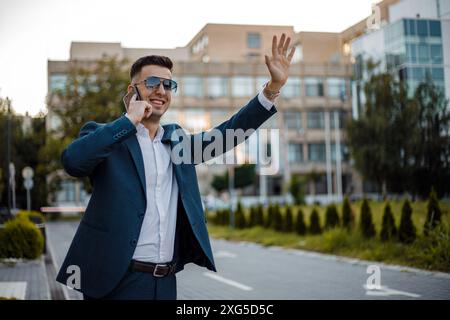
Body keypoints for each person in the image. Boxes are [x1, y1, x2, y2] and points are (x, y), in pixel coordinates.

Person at [56, 34, 295, 300]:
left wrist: (272, 88)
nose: (161, 90)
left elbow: (229, 133)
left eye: (168, 84)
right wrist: (128, 121)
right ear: (131, 90)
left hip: (166, 283)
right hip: (117, 283)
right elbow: (73, 162)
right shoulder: (107, 137)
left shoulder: (178, 143)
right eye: (151, 83)